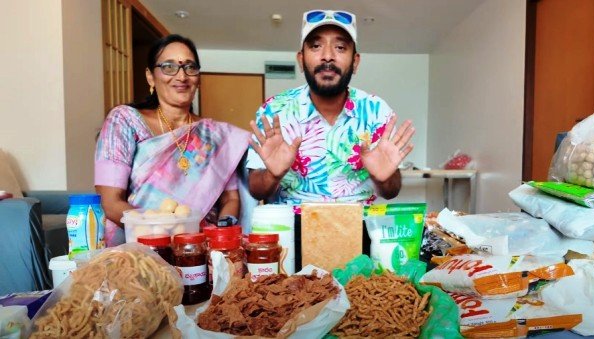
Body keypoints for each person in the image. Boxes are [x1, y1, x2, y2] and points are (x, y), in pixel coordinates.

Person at [247, 9, 415, 207]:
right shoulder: (274, 110)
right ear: (301, 60)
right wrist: (272, 175)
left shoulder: (376, 111)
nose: (328, 56)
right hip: (292, 227)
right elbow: (256, 190)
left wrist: (383, 179)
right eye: (316, 46)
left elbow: (391, 191)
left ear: (355, 62)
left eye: (341, 47)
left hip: (359, 226)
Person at [95, 34, 250, 246]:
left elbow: (230, 199)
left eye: (190, 67)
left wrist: (221, 237)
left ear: (198, 77)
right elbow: (110, 201)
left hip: (201, 250)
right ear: (150, 77)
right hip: (140, 250)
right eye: (169, 67)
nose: (181, 76)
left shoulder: (215, 135)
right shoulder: (124, 120)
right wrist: (162, 234)